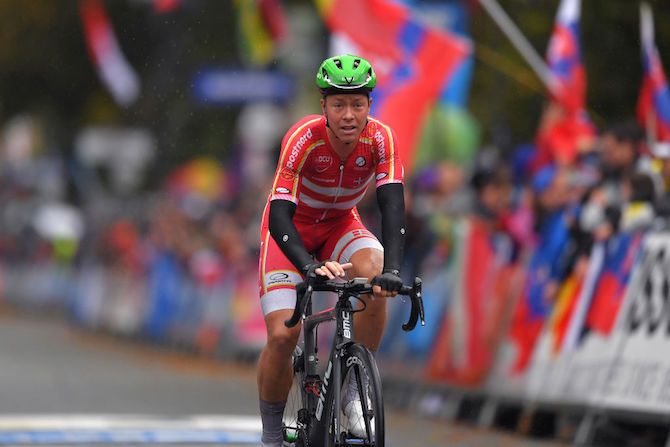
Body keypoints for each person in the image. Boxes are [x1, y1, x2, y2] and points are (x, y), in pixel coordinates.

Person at [256, 54, 407, 446]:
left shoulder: (381, 139)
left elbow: (393, 208)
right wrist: (308, 267)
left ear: (369, 106)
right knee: (281, 336)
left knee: (375, 275)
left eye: (358, 104)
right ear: (323, 105)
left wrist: (394, 270)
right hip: (292, 231)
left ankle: (355, 391)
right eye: (338, 104)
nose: (348, 115)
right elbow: (279, 217)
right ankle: (272, 433)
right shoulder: (302, 138)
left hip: (341, 223)